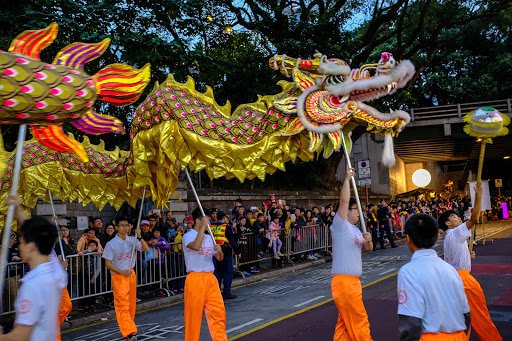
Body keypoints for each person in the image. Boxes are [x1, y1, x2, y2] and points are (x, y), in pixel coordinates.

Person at [438, 183, 502, 341]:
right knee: (480, 316)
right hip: (463, 280)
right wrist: (479, 195)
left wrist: (467, 255)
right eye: (453, 216)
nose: (457, 217)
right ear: (447, 223)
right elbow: (474, 218)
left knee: (459, 319)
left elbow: (453, 258)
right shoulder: (454, 232)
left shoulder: (451, 236)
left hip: (454, 278)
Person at [0, 195, 66, 341]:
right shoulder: (55, 269)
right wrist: (17, 207)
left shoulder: (33, 284)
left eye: (21, 242)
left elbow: (20, 336)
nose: (19, 246)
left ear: (31, 246)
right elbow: (34, 232)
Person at [398, 214, 470, 340]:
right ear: (436, 236)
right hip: (459, 336)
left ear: (408, 238)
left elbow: (411, 322)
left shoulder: (408, 271)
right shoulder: (451, 270)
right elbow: (466, 313)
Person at [331, 169, 373, 341]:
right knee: (358, 320)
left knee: (345, 323)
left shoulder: (356, 230)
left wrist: (368, 241)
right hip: (345, 282)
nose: (359, 213)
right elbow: (343, 200)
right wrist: (347, 179)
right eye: (355, 209)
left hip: (353, 282)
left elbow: (368, 249)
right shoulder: (340, 226)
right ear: (346, 211)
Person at [182, 207, 227, 341]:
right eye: (206, 220)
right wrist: (202, 227)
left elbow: (219, 258)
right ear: (197, 220)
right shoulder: (188, 236)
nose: (209, 224)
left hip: (210, 278)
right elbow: (195, 246)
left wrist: (219, 251)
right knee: (193, 316)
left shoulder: (209, 237)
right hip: (195, 278)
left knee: (218, 312)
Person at [102, 217, 149, 341]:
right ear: (116, 227)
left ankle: (128, 330)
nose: (125, 227)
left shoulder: (132, 240)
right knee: (122, 304)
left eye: (126, 225)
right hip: (119, 276)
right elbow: (108, 263)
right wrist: (121, 271)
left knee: (131, 304)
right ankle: (130, 332)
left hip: (131, 275)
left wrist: (140, 237)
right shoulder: (111, 244)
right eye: (122, 225)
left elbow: (146, 249)